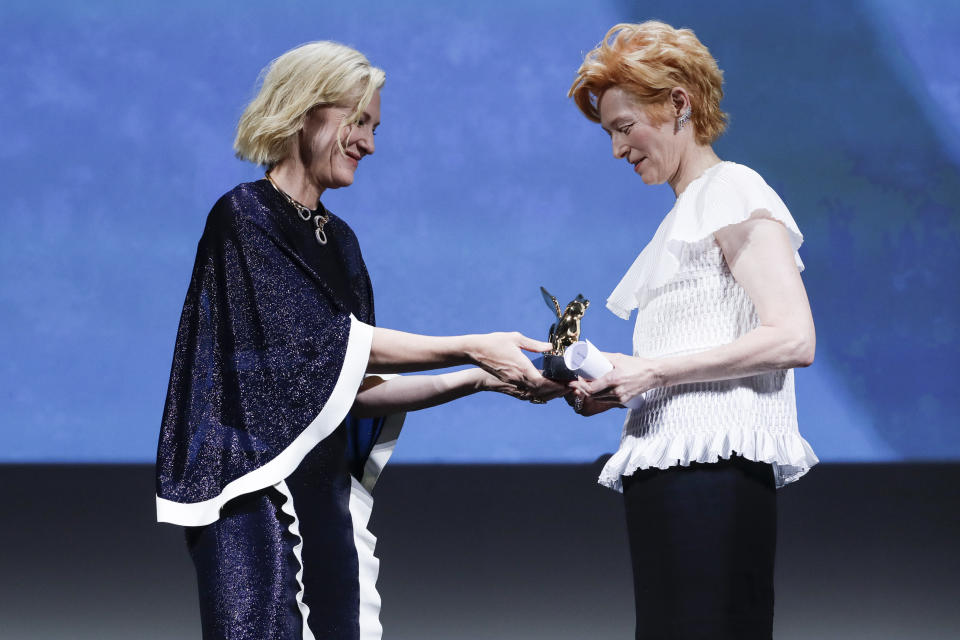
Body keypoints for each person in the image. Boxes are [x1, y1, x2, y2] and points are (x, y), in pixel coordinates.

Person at [155, 41, 563, 640]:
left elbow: (348, 384)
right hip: (253, 496)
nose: (369, 144)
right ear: (304, 110)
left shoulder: (340, 242)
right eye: (359, 121)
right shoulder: (245, 217)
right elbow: (333, 345)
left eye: (373, 126)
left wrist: (483, 378)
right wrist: (473, 345)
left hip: (322, 495)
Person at [566, 21, 819, 639]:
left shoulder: (734, 189)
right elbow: (693, 356)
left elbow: (793, 338)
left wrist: (650, 371)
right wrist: (616, 380)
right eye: (610, 134)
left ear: (679, 103)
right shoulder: (686, 214)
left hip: (713, 478)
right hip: (671, 474)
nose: (619, 149)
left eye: (625, 128)